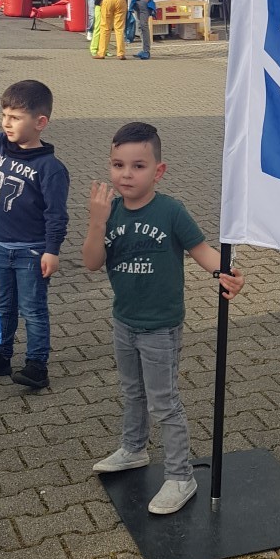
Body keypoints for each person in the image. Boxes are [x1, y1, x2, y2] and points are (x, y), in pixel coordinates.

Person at [83, 120, 244, 514]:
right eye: (118, 165)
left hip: (160, 327)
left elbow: (201, 250)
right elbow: (90, 263)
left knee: (165, 402)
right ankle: (134, 449)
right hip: (124, 320)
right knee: (132, 391)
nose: (126, 174)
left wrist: (225, 271)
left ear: (158, 171)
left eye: (138, 166)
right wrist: (96, 221)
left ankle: (180, 476)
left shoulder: (170, 211)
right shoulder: (110, 213)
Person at [0, 80, 70, 390]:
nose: (6, 123)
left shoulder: (50, 169)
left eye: (15, 117)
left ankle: (37, 365)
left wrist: (52, 250)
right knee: (3, 306)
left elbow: (56, 214)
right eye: (4, 114)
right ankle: (0, 355)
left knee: (33, 309)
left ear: (40, 123)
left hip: (32, 252)